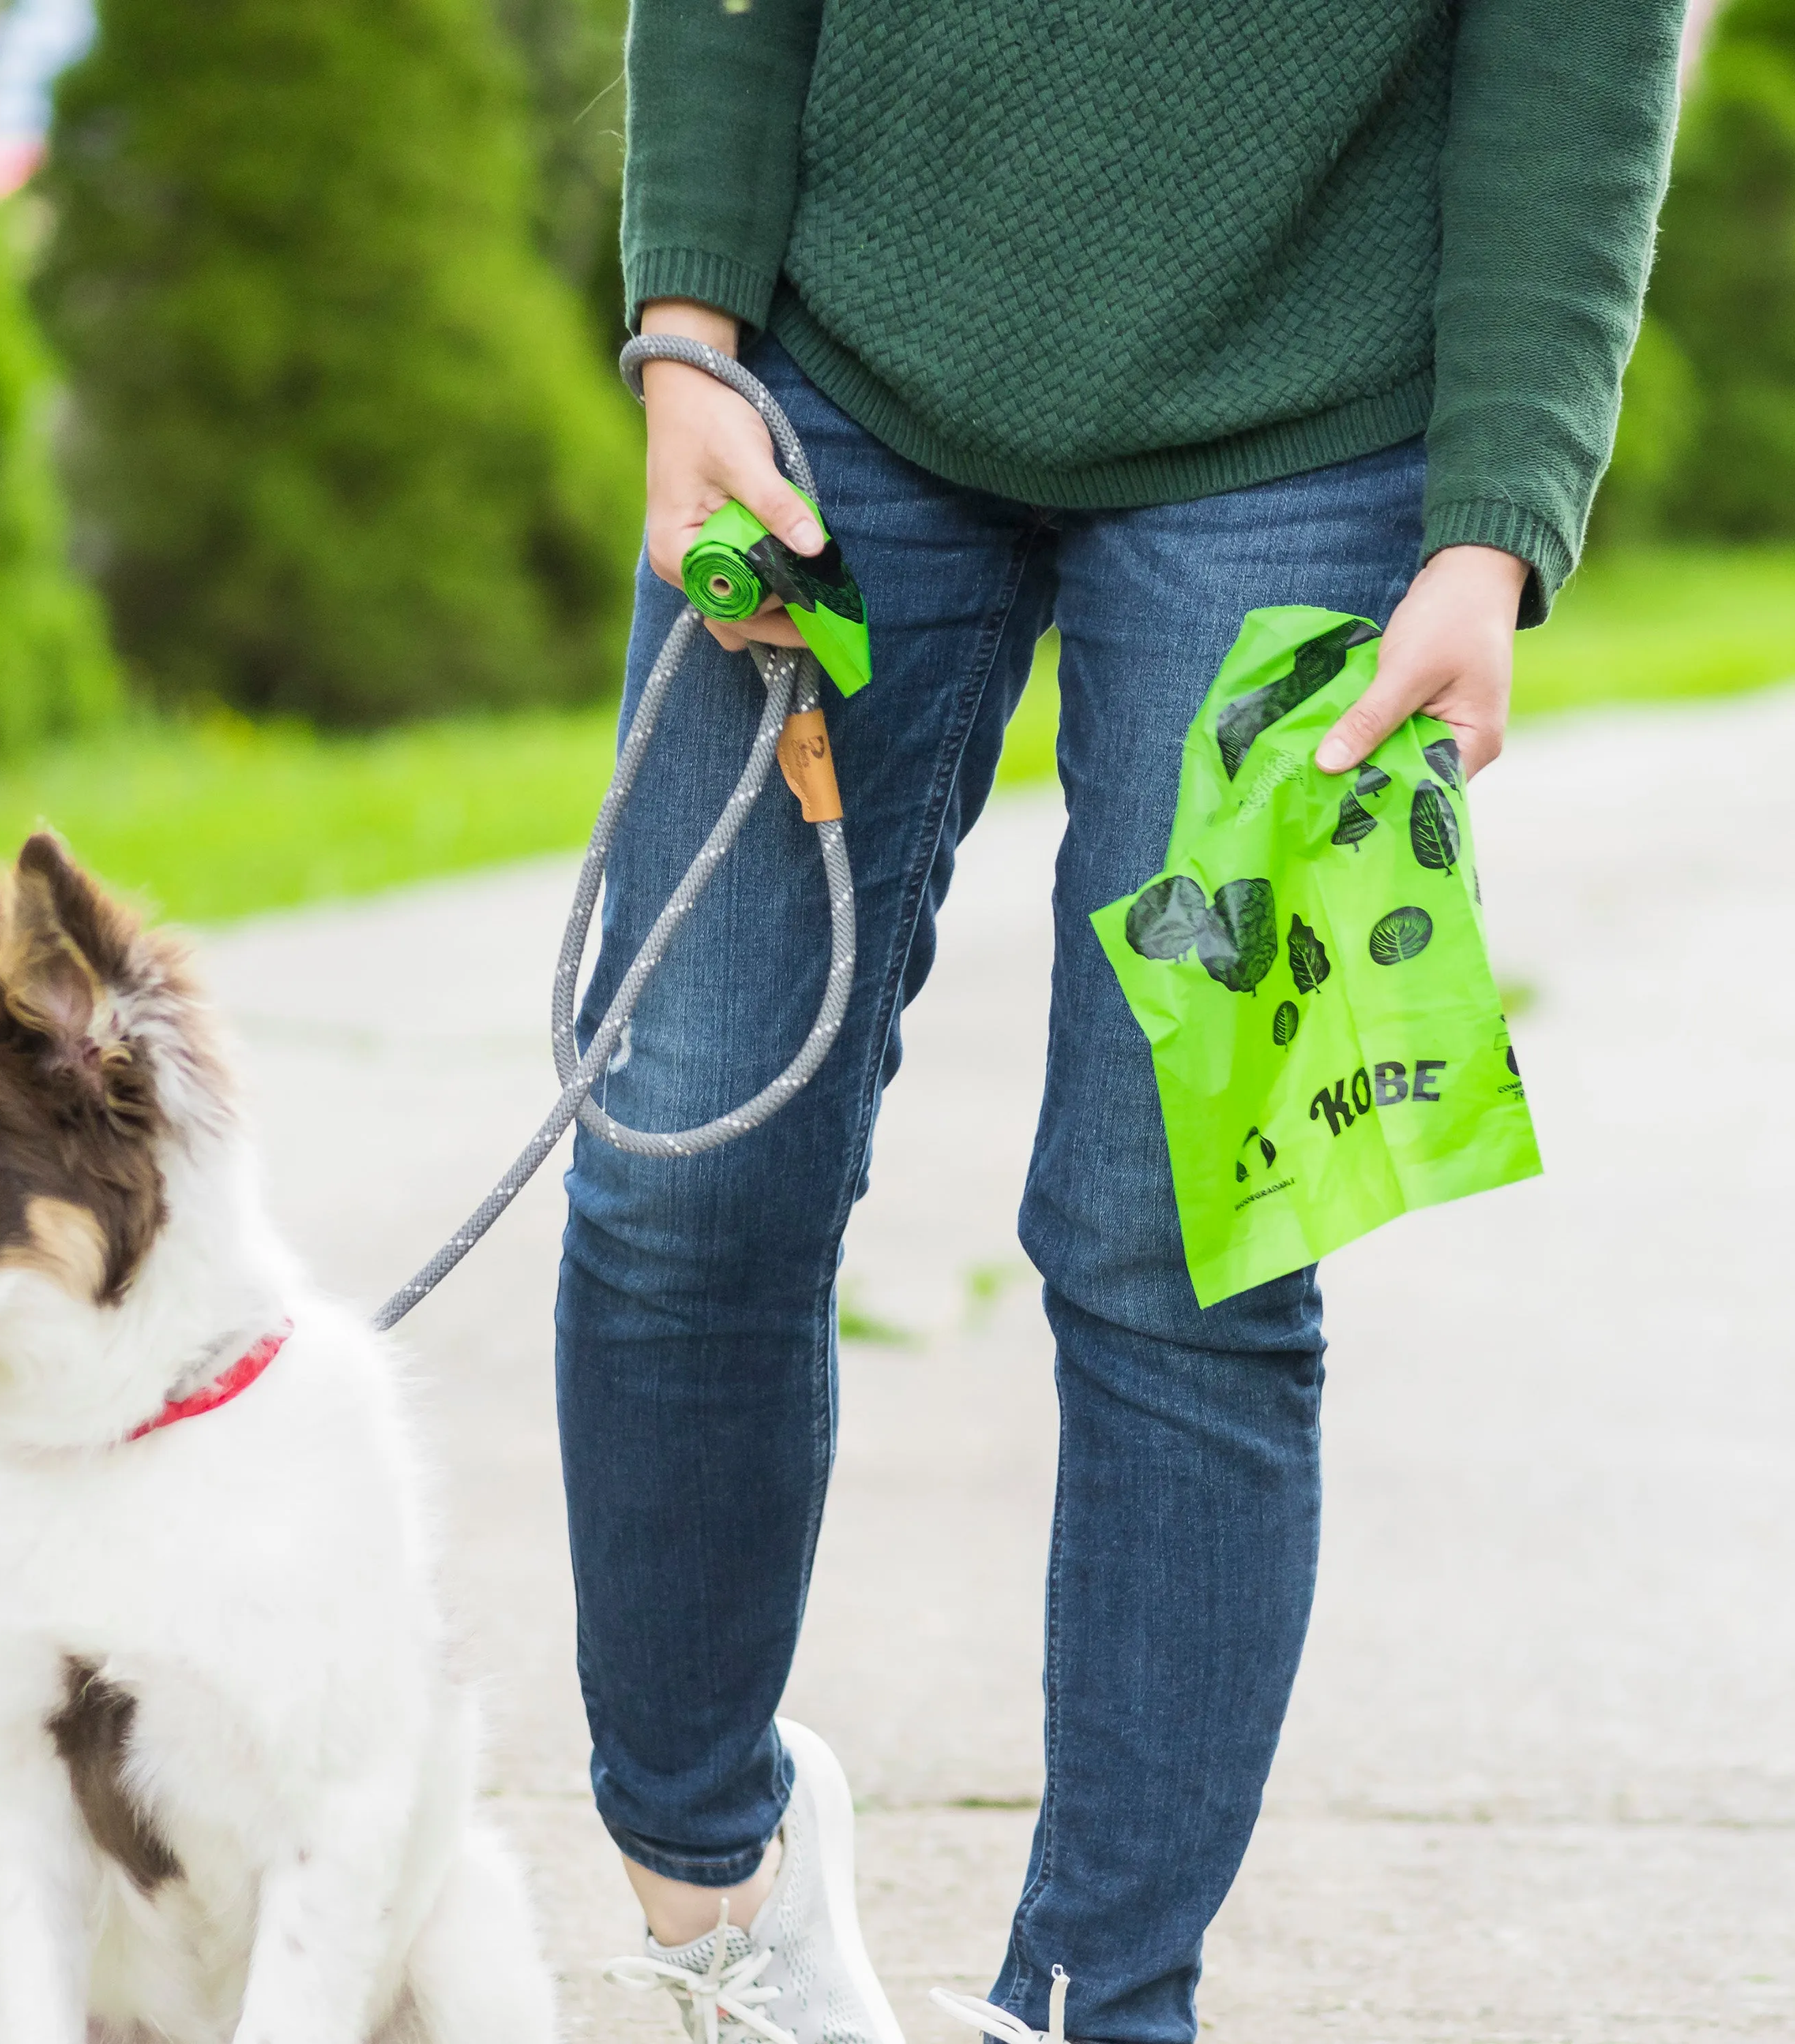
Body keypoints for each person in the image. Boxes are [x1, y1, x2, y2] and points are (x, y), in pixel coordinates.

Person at [557, 5, 1687, 2040]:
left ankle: (1097, 2003)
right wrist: (687, 328)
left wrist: (1499, 510)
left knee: (1179, 1249)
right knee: (687, 1151)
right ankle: (712, 1901)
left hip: (1316, 441)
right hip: (833, 373)